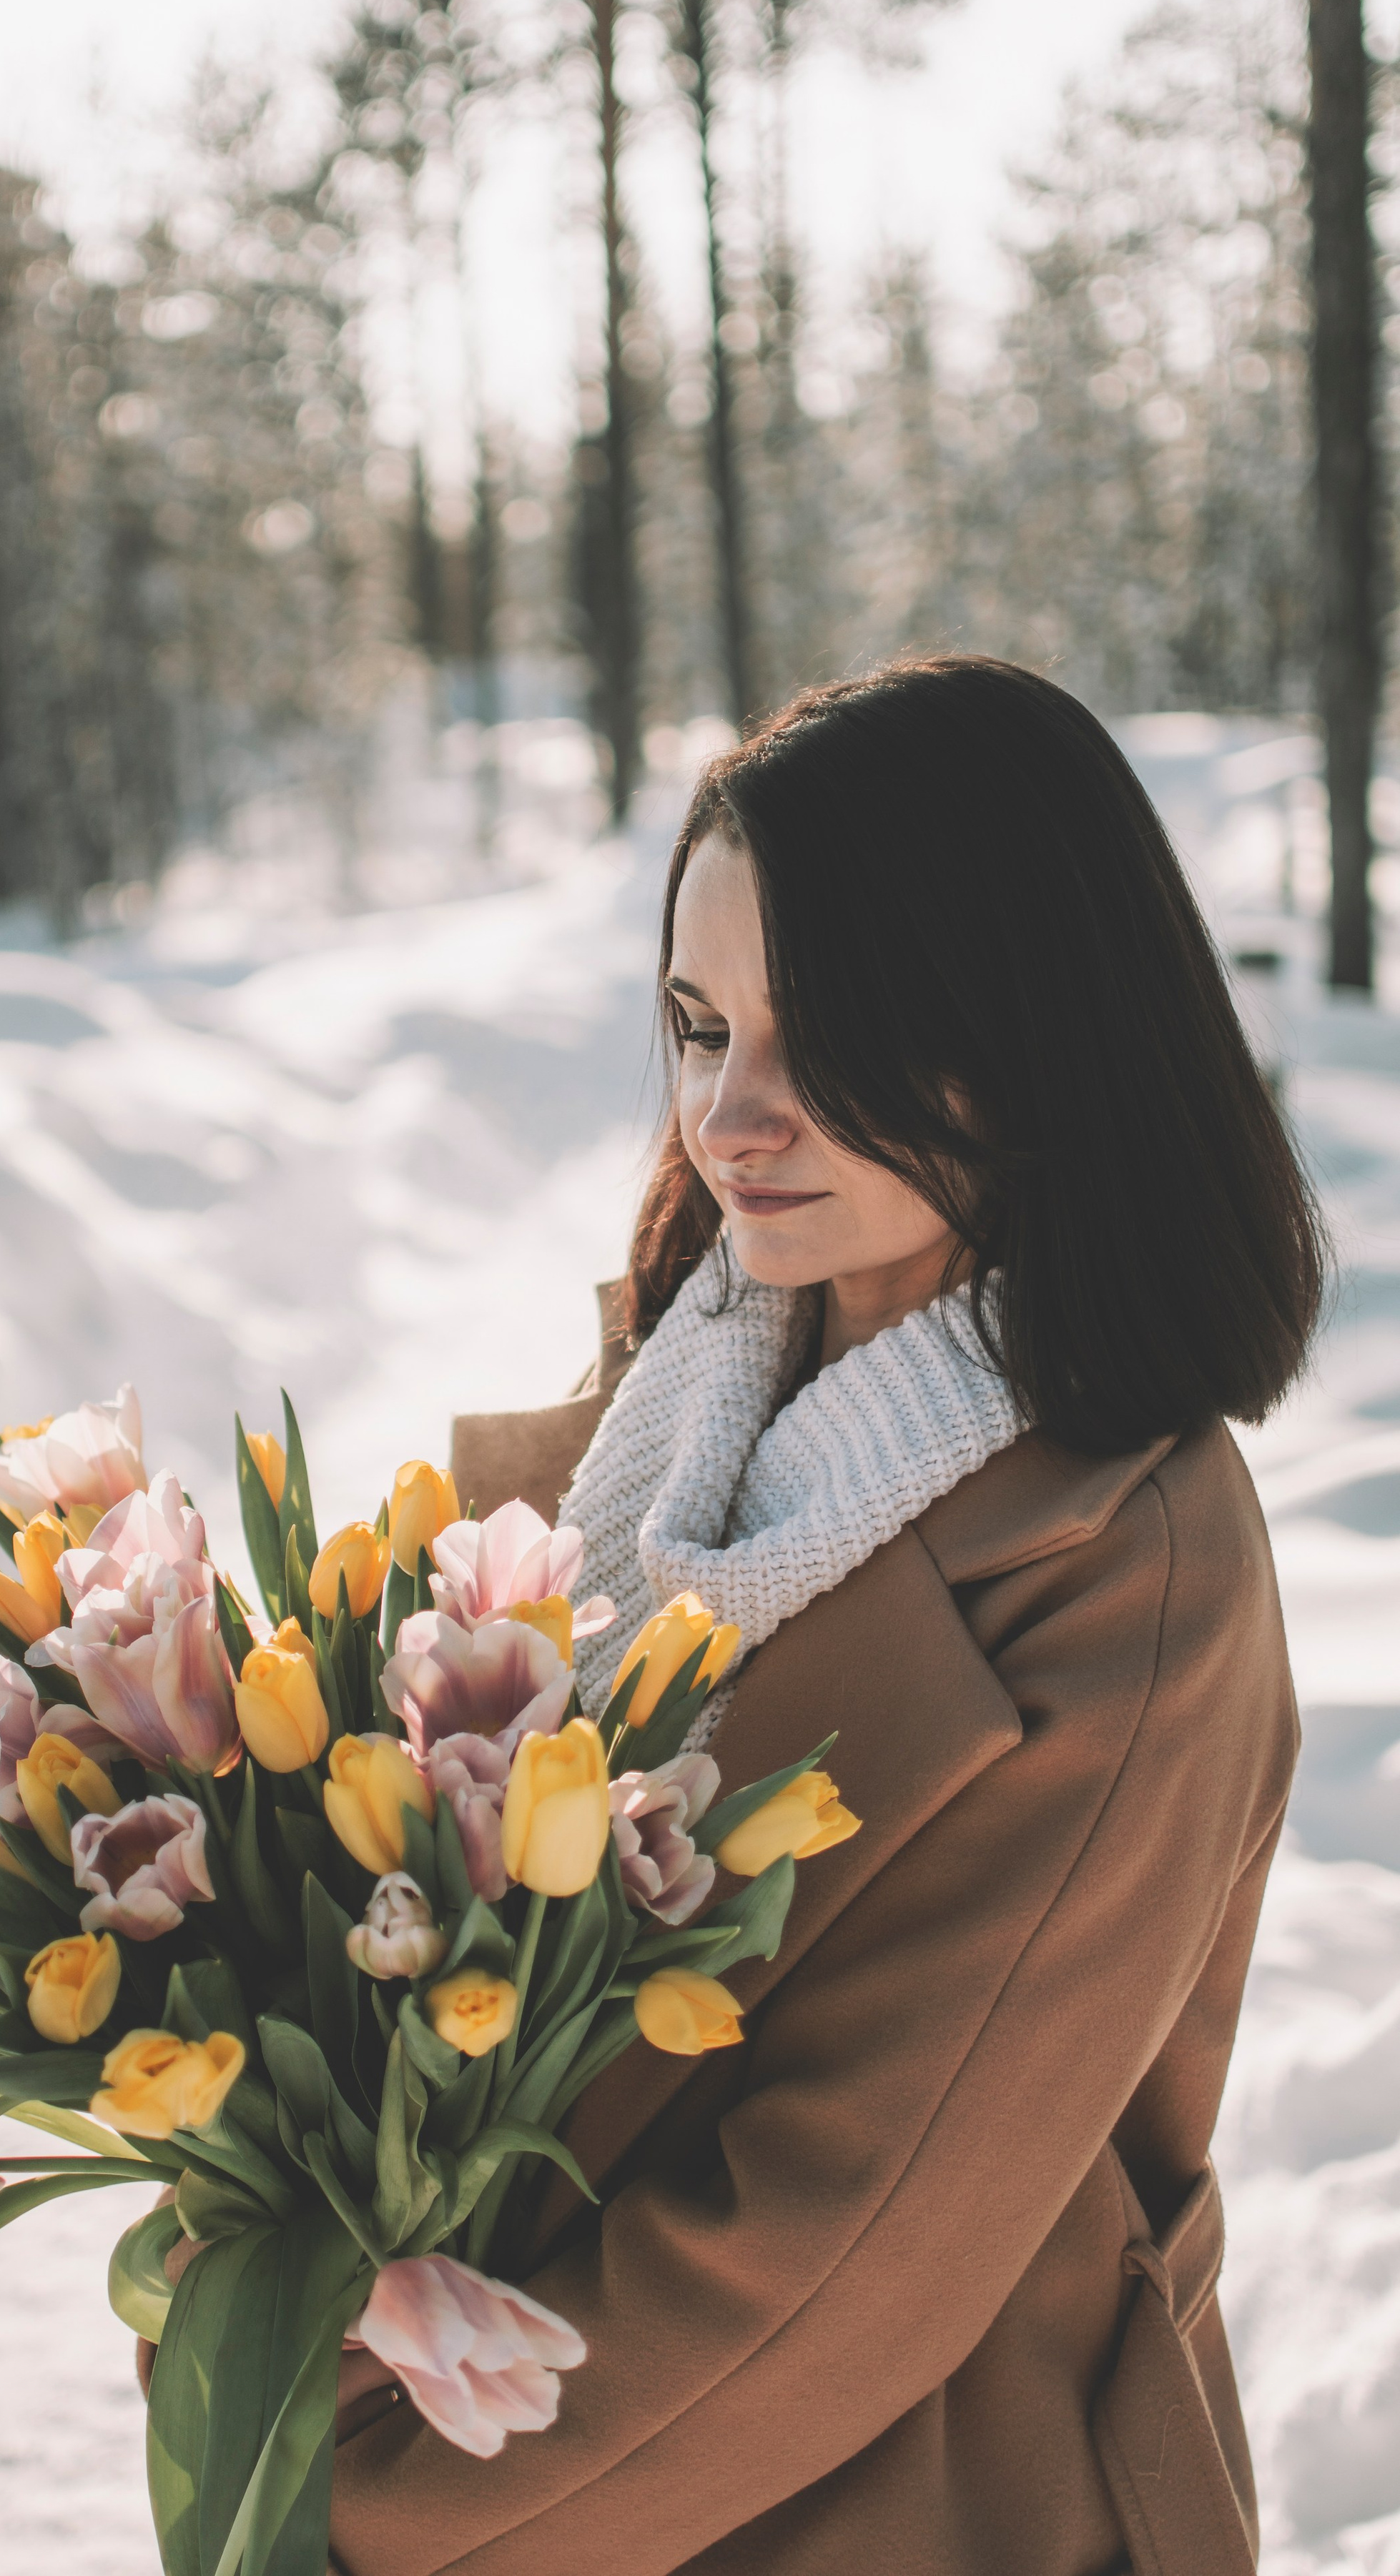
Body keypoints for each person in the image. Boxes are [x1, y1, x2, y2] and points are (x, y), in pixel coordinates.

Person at [327, 656, 1323, 2576]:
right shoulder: (678, 1413)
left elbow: (842, 2252)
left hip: (902, 2498)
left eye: (832, 1032)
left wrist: (351, 2493)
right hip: (553, 2468)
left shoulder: (1134, 1574)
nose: (732, 1116)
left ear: (1035, 1030)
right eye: (702, 1026)